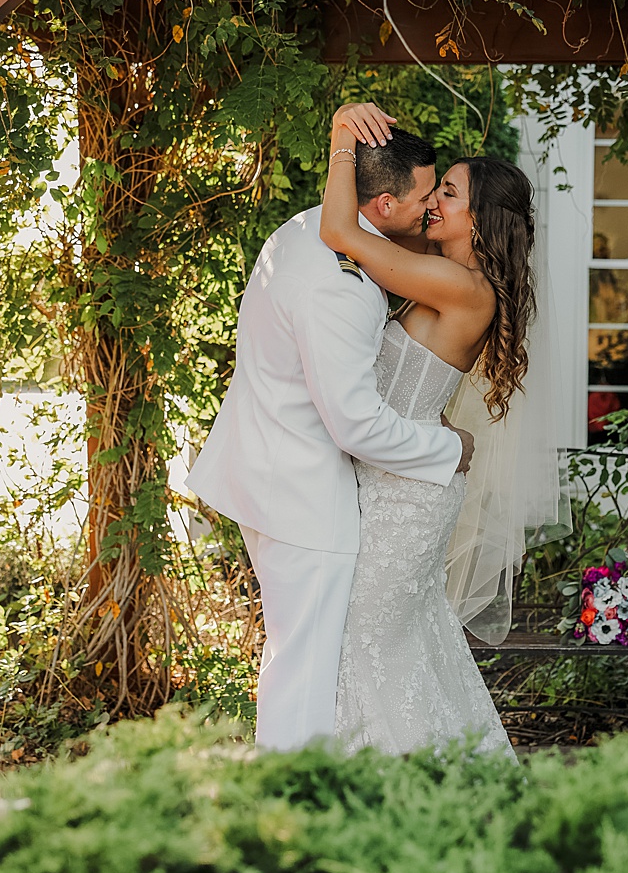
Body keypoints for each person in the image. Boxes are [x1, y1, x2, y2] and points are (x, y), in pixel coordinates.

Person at [187, 126, 474, 752]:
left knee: (301, 657)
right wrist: (450, 450)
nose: (431, 207)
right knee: (308, 668)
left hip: (266, 468)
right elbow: (355, 423)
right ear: (384, 205)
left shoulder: (307, 224)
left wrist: (345, 136)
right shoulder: (340, 284)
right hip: (303, 494)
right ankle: (295, 809)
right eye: (427, 193)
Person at [319, 102, 539, 757]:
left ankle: (406, 798)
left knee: (370, 648)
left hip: (407, 497)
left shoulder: (461, 286)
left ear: (480, 217)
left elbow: (339, 228)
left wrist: (340, 135)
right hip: (394, 478)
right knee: (396, 650)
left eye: (449, 192)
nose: (434, 200)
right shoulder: (447, 275)